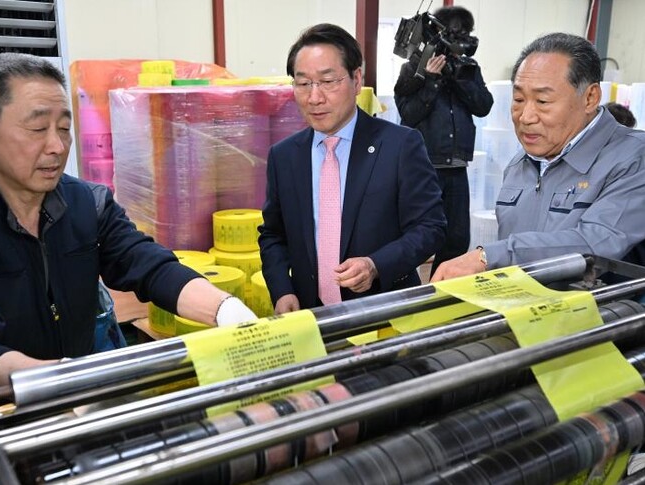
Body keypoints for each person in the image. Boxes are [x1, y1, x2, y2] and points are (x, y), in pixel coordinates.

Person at [0, 53, 256, 419]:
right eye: (38, 128)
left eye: (64, 128)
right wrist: (52, 381)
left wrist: (227, 310)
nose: (57, 146)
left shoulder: (86, 204)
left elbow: (147, 265)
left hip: (76, 411)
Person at [258, 23, 446, 314]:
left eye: (328, 81)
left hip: (383, 313)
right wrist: (282, 290)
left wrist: (375, 265)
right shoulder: (284, 156)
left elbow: (430, 227)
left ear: (356, 80)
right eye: (303, 83)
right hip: (310, 312)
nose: (314, 97)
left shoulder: (399, 146)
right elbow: (273, 234)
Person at [431, 32, 645, 282]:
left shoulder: (633, 158)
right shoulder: (519, 165)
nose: (525, 117)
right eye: (519, 99)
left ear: (590, 98)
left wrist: (490, 256)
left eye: (543, 101)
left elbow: (596, 243)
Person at [394, 6, 493, 276]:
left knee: (457, 238)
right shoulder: (414, 66)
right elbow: (409, 114)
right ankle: (405, 287)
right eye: (459, 33)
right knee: (416, 233)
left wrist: (458, 77)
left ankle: (442, 288)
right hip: (423, 166)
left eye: (467, 33)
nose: (465, 39)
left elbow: (484, 106)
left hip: (456, 166)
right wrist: (431, 80)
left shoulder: (468, 68)